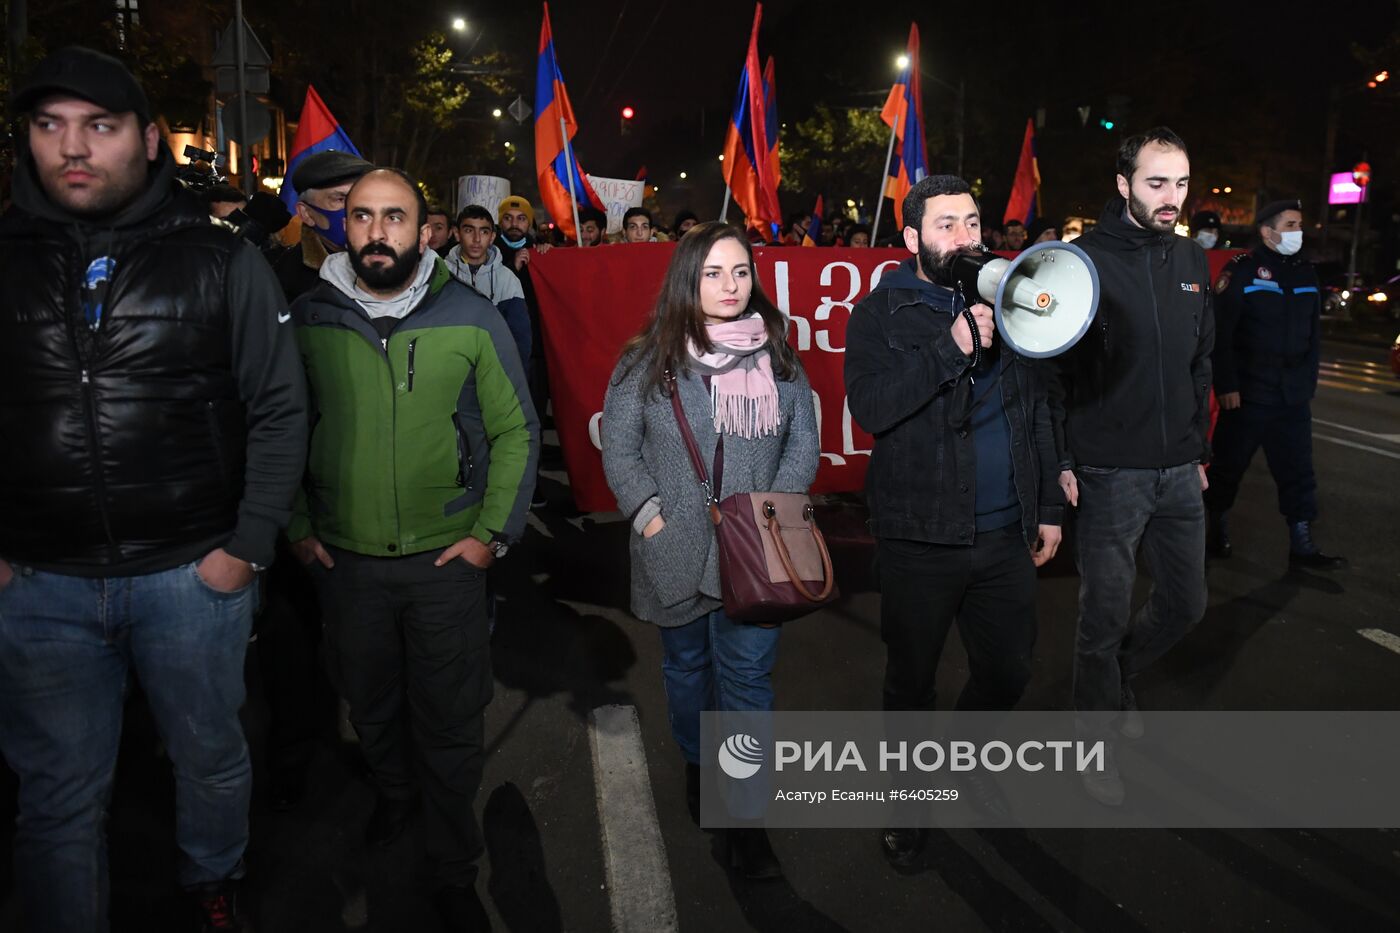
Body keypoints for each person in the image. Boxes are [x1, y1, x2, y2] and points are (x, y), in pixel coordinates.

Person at [0, 47, 308, 931]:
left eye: (98, 126)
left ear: (144, 138)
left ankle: (213, 880)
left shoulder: (219, 260)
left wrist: (245, 546)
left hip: (189, 577)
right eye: (50, 125)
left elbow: (279, 407)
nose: (73, 147)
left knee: (209, 758)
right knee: (54, 794)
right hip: (39, 586)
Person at [288, 167, 538, 930]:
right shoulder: (306, 319)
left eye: (394, 216)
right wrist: (298, 529)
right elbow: (278, 428)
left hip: (445, 564)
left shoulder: (470, 315)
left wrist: (489, 536)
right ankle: (396, 800)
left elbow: (516, 429)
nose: (376, 231)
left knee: (452, 716)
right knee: (371, 704)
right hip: (347, 563)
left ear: (421, 228)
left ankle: (453, 860)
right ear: (343, 225)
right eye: (361, 216)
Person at [844, 174, 1064, 866]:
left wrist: (1050, 506)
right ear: (911, 238)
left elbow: (1039, 409)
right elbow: (872, 408)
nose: (964, 237)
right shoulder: (880, 312)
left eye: (971, 222)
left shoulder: (1014, 299)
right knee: (912, 681)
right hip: (920, 535)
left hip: (1004, 534)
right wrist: (953, 347)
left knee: (1007, 672)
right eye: (945, 225)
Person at [601, 221, 818, 881]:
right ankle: (699, 761)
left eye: (741, 272)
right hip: (676, 549)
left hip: (759, 551)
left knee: (748, 680)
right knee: (689, 670)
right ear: (686, 280)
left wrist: (768, 519)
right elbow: (620, 442)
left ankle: (746, 815)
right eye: (713, 273)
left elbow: (801, 442)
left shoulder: (778, 353)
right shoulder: (648, 357)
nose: (729, 286)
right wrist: (649, 518)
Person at [1046, 127, 1213, 806]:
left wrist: (1199, 448)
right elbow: (1051, 376)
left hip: (1178, 470)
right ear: (1123, 185)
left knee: (1187, 603)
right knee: (1103, 616)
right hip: (1110, 471)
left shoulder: (1194, 262)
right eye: (1156, 183)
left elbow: (1201, 362)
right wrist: (1061, 459)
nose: (1172, 198)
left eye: (1180, 182)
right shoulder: (1078, 264)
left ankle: (1116, 679)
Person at [1204, 199, 1343, 569]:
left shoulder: (1305, 274)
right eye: (1292, 224)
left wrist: (1307, 382)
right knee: (1227, 469)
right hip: (1249, 395)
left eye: (1300, 224)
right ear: (1268, 231)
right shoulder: (1243, 271)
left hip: (1291, 397)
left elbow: (1313, 336)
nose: (1299, 231)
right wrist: (1227, 384)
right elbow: (1223, 335)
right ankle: (1213, 528)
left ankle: (1302, 543)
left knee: (1298, 471)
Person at [272, 149, 374, 301]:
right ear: (306, 214)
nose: (356, 208)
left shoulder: (404, 261)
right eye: (340, 199)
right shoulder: (282, 279)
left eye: (362, 196)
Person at [446, 203, 532, 366]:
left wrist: (514, 382)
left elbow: (520, 338)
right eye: (469, 230)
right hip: (450, 371)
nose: (477, 239)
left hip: (494, 371)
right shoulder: (440, 274)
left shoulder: (508, 280)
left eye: (484, 231)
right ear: (457, 234)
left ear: (492, 237)